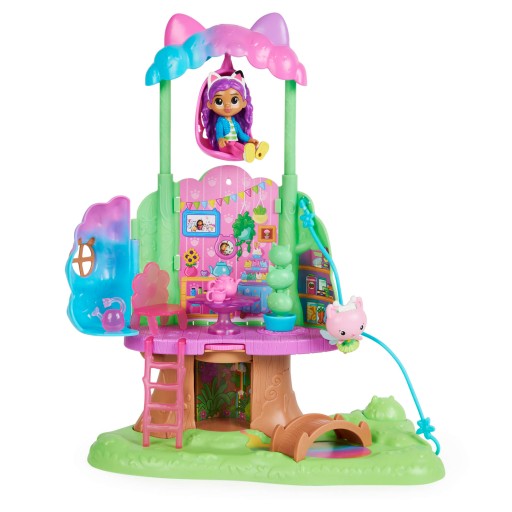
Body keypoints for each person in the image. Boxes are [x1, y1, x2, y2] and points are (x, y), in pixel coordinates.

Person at [201, 70, 269, 162]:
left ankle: (257, 152)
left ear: (244, 103)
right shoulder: (220, 122)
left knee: (242, 146)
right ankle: (245, 155)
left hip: (234, 143)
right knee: (233, 149)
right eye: (219, 101)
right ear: (210, 104)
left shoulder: (235, 122)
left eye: (234, 100)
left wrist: (250, 140)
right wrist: (220, 140)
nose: (227, 105)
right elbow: (219, 134)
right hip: (225, 146)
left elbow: (241, 134)